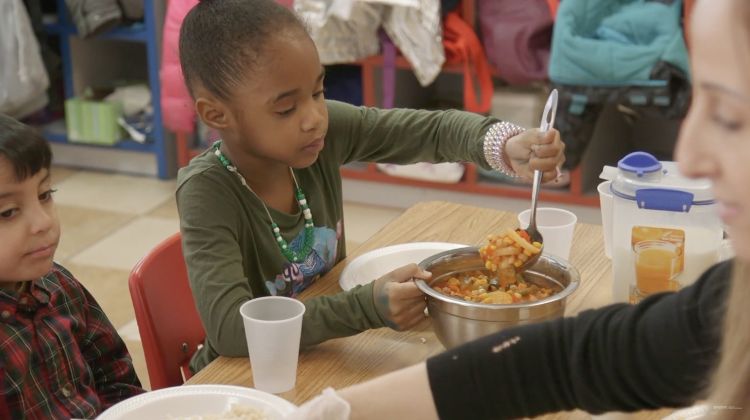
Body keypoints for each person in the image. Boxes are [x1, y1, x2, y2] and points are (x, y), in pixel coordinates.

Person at [287, 0, 749, 418]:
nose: (687, 156)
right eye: (695, 104)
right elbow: (564, 361)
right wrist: (340, 409)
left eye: (728, 115)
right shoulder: (730, 305)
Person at [175, 0, 565, 373]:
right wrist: (364, 309)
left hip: (320, 354)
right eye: (286, 109)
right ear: (216, 114)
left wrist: (502, 145)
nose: (314, 118)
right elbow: (231, 330)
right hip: (243, 378)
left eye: (318, 92)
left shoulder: (318, 137)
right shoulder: (207, 191)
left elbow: (427, 130)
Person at [0, 114, 144, 419]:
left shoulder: (57, 284)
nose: (43, 222)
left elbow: (118, 380)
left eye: (45, 195)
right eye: (8, 212)